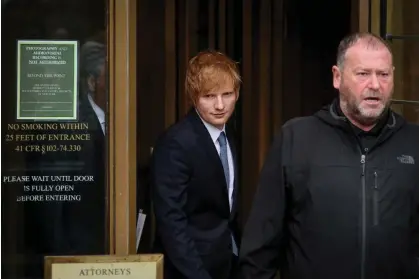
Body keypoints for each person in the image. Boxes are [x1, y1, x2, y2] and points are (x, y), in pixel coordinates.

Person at [239, 32, 419, 279]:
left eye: (384, 74)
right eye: (363, 74)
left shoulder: (413, 142)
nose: (375, 85)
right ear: (337, 77)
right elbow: (260, 247)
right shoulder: (297, 139)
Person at [151, 50, 241, 279]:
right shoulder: (175, 143)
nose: (220, 105)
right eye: (209, 96)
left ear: (237, 93)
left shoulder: (229, 134)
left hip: (225, 263)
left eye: (227, 94)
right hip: (188, 270)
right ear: (193, 96)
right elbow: (171, 222)